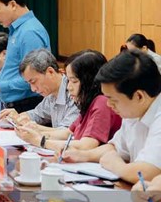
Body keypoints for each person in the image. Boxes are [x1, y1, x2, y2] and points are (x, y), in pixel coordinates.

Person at [63, 50, 161, 184]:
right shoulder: (133, 111)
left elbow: (145, 172)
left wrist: (116, 165)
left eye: (113, 100)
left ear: (139, 96)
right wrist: (83, 155)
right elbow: (116, 148)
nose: (108, 105)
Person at [15, 50, 121, 154]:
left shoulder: (101, 102)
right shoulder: (88, 103)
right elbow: (68, 132)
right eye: (69, 80)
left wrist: (39, 140)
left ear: (90, 81)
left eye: (74, 81)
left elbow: (86, 146)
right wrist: (35, 131)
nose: (69, 87)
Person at [0, 49, 79, 129]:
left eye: (33, 81)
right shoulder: (50, 93)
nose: (33, 89)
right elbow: (37, 115)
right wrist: (18, 117)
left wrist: (35, 129)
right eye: (29, 83)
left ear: (50, 72)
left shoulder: (75, 92)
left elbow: (67, 133)